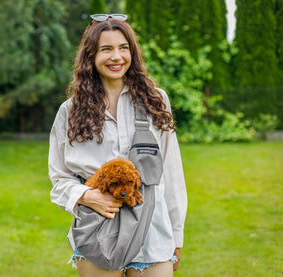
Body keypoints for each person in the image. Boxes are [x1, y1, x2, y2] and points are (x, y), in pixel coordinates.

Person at [48, 14, 187, 277]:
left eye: (124, 48)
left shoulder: (156, 101)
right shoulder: (70, 111)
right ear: (91, 56)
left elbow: (171, 172)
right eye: (106, 49)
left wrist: (176, 235)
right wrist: (89, 196)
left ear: (132, 53)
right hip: (99, 229)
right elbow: (59, 177)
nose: (117, 57)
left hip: (153, 229)